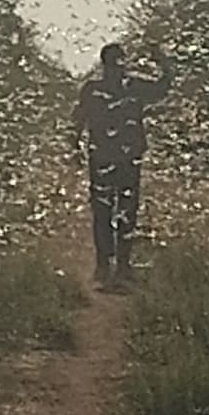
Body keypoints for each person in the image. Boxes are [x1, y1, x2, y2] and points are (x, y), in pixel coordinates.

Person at [72, 42, 172, 284]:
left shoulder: (96, 88)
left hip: (108, 157)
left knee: (107, 211)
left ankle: (109, 265)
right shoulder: (132, 86)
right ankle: (115, 265)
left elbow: (77, 119)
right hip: (121, 158)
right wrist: (163, 62)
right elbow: (163, 87)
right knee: (120, 211)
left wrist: (74, 145)